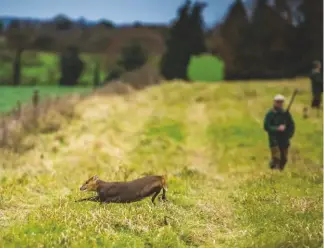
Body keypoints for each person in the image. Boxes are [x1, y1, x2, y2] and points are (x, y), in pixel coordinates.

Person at [263, 94, 295, 171]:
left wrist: (289, 134)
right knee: (276, 157)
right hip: (274, 140)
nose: (279, 104)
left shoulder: (286, 114)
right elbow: (266, 126)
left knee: (284, 158)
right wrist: (277, 128)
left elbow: (291, 125)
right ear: (274, 102)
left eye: (281, 102)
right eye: (278, 102)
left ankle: (279, 170)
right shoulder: (270, 114)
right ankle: (275, 170)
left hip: (284, 140)